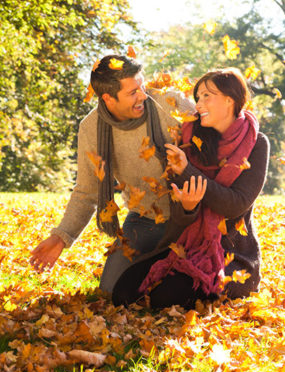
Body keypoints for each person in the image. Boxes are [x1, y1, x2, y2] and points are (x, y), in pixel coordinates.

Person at [29, 54, 195, 294]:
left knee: (181, 290)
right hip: (145, 219)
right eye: (132, 92)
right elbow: (87, 191)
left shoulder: (169, 104)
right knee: (111, 290)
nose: (143, 95)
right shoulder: (91, 129)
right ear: (108, 98)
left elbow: (214, 138)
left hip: (193, 216)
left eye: (142, 85)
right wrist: (62, 236)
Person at [112, 67, 270, 309]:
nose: (199, 103)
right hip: (184, 246)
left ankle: (234, 285)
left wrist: (187, 171)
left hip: (232, 253)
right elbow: (178, 210)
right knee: (122, 293)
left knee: (164, 298)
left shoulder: (256, 142)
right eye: (198, 97)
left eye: (208, 95)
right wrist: (186, 208)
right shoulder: (188, 138)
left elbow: (234, 205)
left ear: (230, 100)